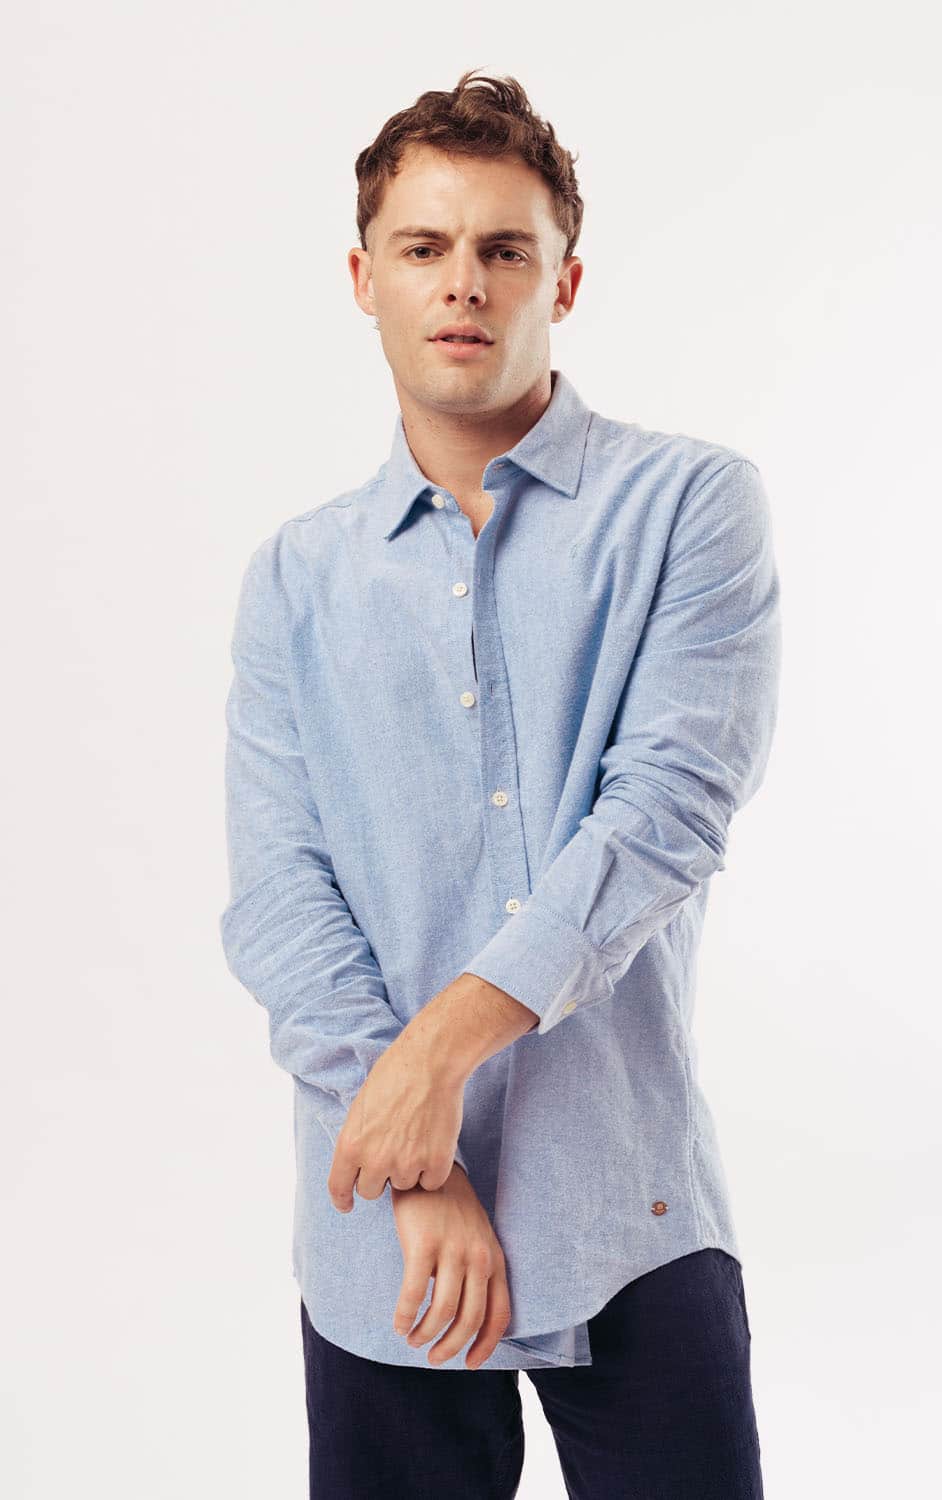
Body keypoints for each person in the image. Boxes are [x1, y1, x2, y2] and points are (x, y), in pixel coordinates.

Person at [220, 67, 781, 1499]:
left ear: (564, 282)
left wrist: (432, 1060)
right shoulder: (295, 579)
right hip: (383, 1241)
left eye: (503, 249)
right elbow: (280, 897)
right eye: (423, 246)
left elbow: (666, 814)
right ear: (365, 278)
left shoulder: (690, 507)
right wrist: (417, 1161)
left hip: (628, 1203)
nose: (462, 283)